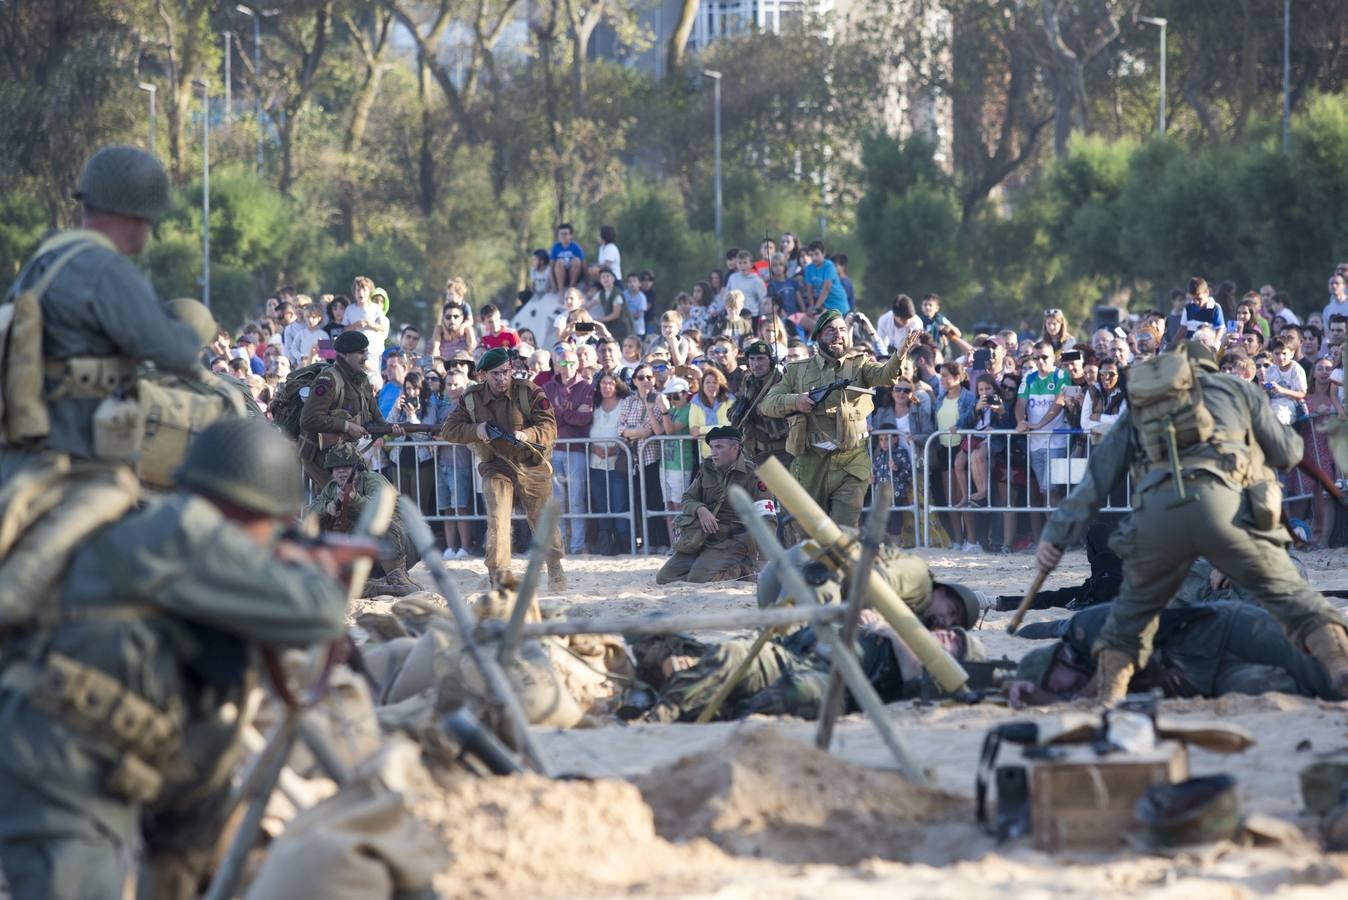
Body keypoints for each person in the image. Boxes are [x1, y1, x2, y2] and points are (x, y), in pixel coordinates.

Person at [0, 419, 347, 898]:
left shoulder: (166, 532)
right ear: (252, 508)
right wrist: (312, 566)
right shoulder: (187, 532)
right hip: (56, 779)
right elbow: (320, 613)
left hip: (92, 771)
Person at [1034, 341, 1348, 705]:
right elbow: (1289, 452)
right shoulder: (1239, 391)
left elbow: (1098, 476)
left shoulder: (1148, 400)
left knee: (1135, 611)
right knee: (1292, 595)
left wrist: (1054, 537)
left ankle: (1110, 696)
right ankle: (1338, 666)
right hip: (1224, 507)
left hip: (1163, 515)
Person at [0, 145, 203, 485]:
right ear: (137, 215)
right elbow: (175, 351)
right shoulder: (107, 269)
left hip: (25, 452)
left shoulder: (46, 259)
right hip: (78, 459)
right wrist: (192, 329)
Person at [1008, 602, 1343, 708]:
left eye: (1055, 683)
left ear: (1057, 661)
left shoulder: (1084, 630)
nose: (1062, 690)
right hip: (1205, 675)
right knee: (1279, 689)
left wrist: (1068, 697)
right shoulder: (1080, 680)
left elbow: (1117, 659)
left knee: (1324, 667)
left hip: (1223, 629)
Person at [762, 309, 908, 529]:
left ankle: (843, 563)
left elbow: (886, 375)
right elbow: (768, 404)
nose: (838, 334)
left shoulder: (860, 365)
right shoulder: (797, 370)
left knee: (845, 528)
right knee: (809, 532)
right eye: (830, 330)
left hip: (851, 459)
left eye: (842, 329)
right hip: (811, 460)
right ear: (818, 336)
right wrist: (795, 401)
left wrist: (900, 353)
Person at [439, 348, 566, 590]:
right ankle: (499, 573)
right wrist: (476, 430)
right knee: (498, 517)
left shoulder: (528, 392)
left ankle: (555, 567)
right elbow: (449, 429)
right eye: (495, 374)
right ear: (483, 374)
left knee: (541, 519)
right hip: (496, 465)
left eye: (506, 372)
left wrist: (527, 434)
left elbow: (549, 426)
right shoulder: (472, 398)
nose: (502, 378)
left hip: (531, 463)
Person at [656, 426, 776, 584]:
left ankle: (744, 569)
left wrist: (763, 559)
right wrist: (700, 509)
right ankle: (708, 566)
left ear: (735, 448)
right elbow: (687, 499)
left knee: (698, 578)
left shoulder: (753, 474)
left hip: (734, 540)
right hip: (703, 538)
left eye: (719, 447)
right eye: (711, 447)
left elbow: (767, 518)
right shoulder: (707, 469)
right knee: (664, 578)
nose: (713, 452)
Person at [304, 443, 418, 596]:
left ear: (357, 469)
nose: (342, 471)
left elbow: (378, 510)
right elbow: (308, 512)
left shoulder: (373, 480)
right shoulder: (332, 488)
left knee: (381, 524)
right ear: (331, 472)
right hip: (366, 550)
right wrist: (328, 507)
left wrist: (354, 499)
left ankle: (398, 579)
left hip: (403, 544)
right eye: (337, 468)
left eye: (347, 467)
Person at [298, 330, 401, 488]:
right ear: (344, 354)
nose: (365, 357)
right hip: (325, 462)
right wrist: (347, 426)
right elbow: (309, 419)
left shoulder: (362, 380)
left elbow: (375, 417)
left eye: (365, 351)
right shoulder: (328, 380)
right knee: (334, 507)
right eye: (360, 352)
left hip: (348, 457)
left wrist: (390, 429)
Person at [1015, 340, 1071, 541]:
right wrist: (1021, 421)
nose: (1040, 361)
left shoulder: (1061, 375)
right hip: (1035, 443)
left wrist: (1039, 424)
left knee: (1051, 490)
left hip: (1056, 442)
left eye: (1044, 357)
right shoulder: (1029, 377)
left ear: (1053, 357)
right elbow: (1020, 402)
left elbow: (1059, 402)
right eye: (1036, 358)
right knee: (1045, 491)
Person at [543, 345, 594, 555]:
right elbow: (544, 416)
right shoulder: (547, 388)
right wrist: (570, 412)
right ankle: (560, 545)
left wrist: (560, 413)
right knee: (557, 501)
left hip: (576, 450)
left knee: (576, 500)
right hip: (554, 449)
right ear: (556, 365)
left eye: (572, 362)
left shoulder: (587, 388)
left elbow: (585, 419)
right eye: (563, 362)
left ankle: (576, 545)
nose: (568, 366)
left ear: (578, 365)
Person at [588, 373, 631, 555]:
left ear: (617, 385)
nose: (606, 386)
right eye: (603, 383)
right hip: (596, 463)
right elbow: (585, 428)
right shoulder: (594, 406)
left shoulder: (624, 405)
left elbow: (628, 430)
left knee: (619, 504)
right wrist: (591, 447)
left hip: (616, 463)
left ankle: (625, 545)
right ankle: (607, 546)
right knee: (601, 505)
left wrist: (616, 449)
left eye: (610, 383)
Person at [731, 341, 789, 465]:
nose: (756, 364)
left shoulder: (781, 381)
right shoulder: (748, 381)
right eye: (752, 359)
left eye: (761, 359)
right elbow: (734, 411)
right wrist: (739, 412)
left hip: (779, 453)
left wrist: (760, 411)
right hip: (753, 452)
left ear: (771, 360)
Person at [549, 223, 585, 291]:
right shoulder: (555, 247)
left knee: (576, 260)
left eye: (565, 234)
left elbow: (584, 266)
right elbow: (551, 268)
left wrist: (587, 284)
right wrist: (553, 284)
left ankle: (571, 289)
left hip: (574, 276)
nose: (563, 236)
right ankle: (561, 290)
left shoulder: (576, 247)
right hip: (560, 277)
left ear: (570, 235)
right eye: (561, 234)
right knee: (559, 262)